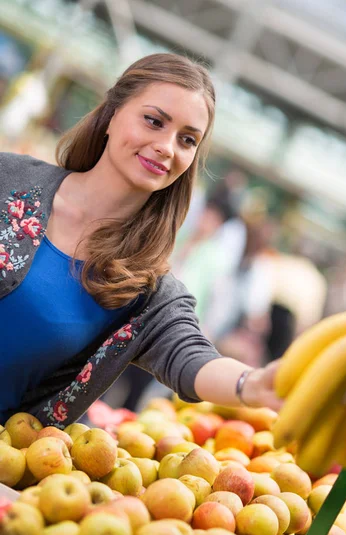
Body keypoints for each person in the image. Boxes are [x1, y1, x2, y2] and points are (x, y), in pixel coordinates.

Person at [0, 53, 282, 428]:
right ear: (113, 113)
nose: (167, 146)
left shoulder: (145, 291)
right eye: (154, 121)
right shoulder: (9, 180)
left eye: (186, 139)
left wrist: (254, 384)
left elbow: (191, 355)